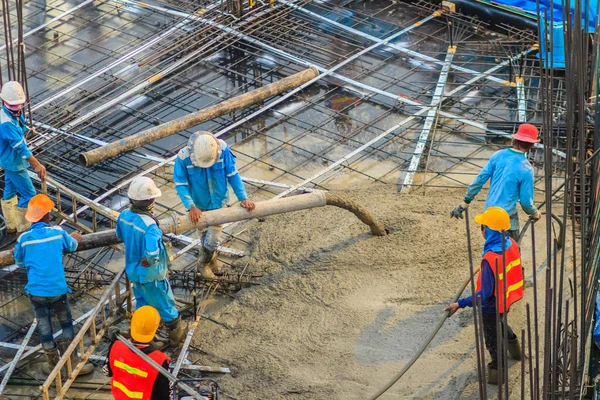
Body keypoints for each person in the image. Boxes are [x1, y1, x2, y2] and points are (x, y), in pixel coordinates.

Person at [13, 194, 93, 375]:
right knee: (65, 324)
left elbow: (19, 263)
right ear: (47, 215)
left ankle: (52, 366)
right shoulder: (58, 232)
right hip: (58, 290)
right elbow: (72, 245)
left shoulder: (23, 239)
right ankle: (71, 363)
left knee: (44, 328)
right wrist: (76, 237)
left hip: (36, 293)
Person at [445, 206, 524, 384]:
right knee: (502, 322)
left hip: (491, 306)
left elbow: (486, 294)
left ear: (488, 230)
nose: (481, 230)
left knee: (493, 342)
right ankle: (515, 349)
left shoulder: (490, 258)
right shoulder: (511, 244)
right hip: (505, 300)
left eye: (483, 227)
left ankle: (498, 374)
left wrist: (461, 303)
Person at [174, 131, 255, 279]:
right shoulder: (183, 157)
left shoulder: (222, 149)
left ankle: (203, 263)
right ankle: (212, 260)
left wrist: (243, 198)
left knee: (213, 237)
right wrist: (191, 206)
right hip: (198, 205)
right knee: (204, 235)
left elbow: (232, 174)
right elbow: (180, 184)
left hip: (218, 202)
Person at [116, 176, 186, 346]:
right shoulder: (151, 226)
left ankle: (140, 335)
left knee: (142, 303)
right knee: (165, 304)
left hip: (133, 272)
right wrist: (150, 259)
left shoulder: (124, 216)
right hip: (151, 275)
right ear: (151, 201)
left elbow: (119, 235)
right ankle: (176, 338)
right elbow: (152, 251)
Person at [450, 123, 542, 240]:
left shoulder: (498, 155)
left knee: (491, 251)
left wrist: (465, 202)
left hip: (489, 214)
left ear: (515, 139)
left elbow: (479, 180)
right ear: (532, 145)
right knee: (511, 254)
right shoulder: (527, 169)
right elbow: (525, 202)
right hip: (507, 219)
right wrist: (534, 212)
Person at [0, 81, 46, 234]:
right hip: (14, 162)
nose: (17, 107)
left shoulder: (13, 114)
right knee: (29, 194)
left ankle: (11, 226)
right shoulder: (6, 123)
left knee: (10, 189)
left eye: (19, 104)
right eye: (13, 105)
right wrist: (37, 164)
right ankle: (23, 228)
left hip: (8, 160)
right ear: (4, 101)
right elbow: (20, 147)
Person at [104, 306, 173, 400]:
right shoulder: (159, 361)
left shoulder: (116, 346)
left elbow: (107, 372)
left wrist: (113, 342)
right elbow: (165, 394)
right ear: (155, 329)